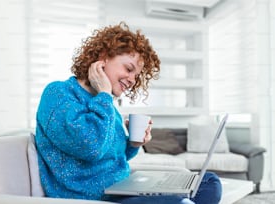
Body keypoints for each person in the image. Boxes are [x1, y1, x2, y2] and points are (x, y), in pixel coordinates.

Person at [35, 22, 222, 204]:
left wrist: (132, 144)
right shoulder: (59, 94)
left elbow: (115, 157)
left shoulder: (107, 106)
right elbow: (91, 148)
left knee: (209, 182)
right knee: (181, 200)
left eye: (136, 76)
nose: (132, 80)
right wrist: (104, 95)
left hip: (122, 189)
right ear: (103, 57)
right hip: (93, 198)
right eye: (129, 69)